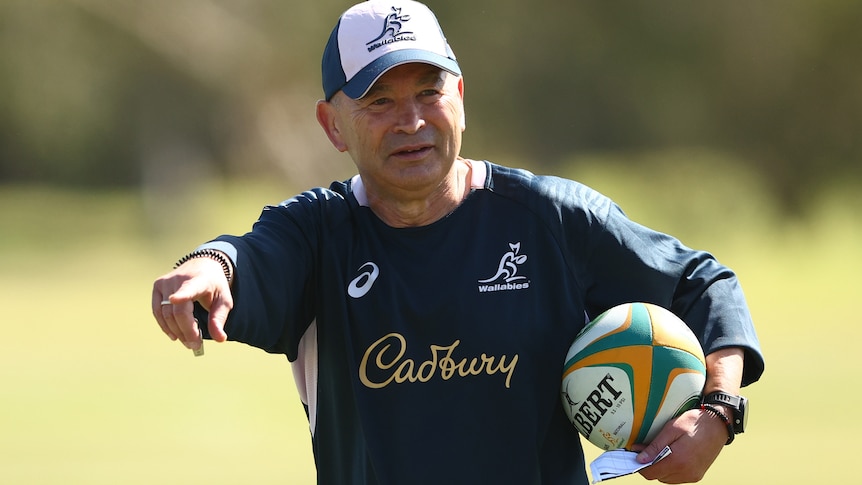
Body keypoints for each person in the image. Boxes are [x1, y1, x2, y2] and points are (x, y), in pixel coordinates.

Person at [151, 1, 764, 484]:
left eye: (428, 91)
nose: (411, 120)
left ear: (461, 98)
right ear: (331, 125)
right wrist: (208, 265)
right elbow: (247, 256)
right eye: (379, 100)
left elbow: (703, 284)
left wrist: (717, 414)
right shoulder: (316, 235)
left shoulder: (548, 219)